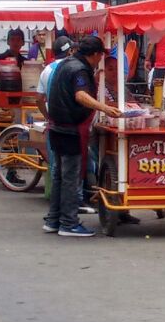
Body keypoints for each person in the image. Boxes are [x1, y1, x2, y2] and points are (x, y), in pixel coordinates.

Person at [44, 36, 122, 237]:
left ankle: (54, 219)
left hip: (57, 127)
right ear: (95, 54)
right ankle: (69, 223)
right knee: (70, 178)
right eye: (100, 57)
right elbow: (80, 95)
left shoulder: (66, 64)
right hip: (70, 129)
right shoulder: (79, 69)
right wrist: (104, 107)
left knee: (60, 176)